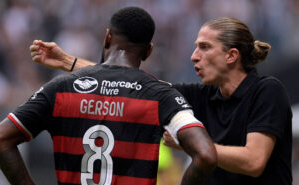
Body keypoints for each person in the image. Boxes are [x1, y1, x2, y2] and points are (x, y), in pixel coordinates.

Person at [31, 17, 293, 185]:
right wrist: (68, 62)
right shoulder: (204, 95)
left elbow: (253, 161)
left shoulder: (267, 91)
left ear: (231, 55)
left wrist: (192, 145)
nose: (193, 56)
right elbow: (133, 85)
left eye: (204, 47)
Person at [0, 7, 218, 185]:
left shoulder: (60, 88)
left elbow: (1, 138)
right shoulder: (160, 96)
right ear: (148, 51)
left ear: (107, 38)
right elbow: (206, 154)